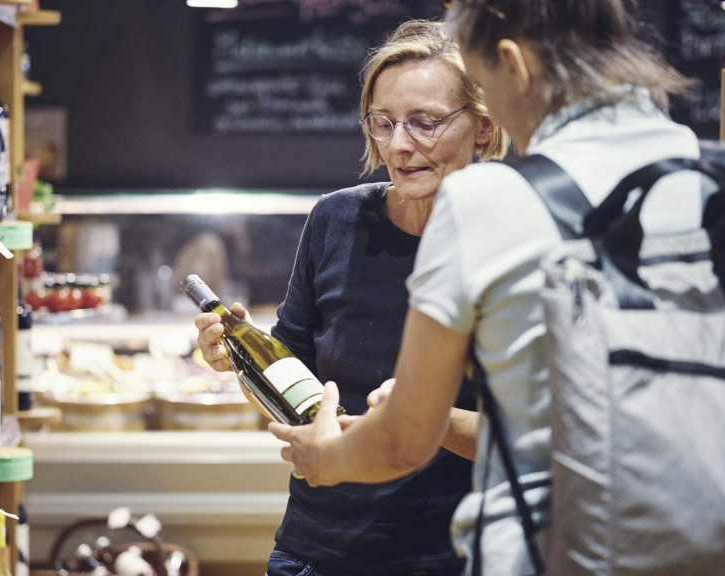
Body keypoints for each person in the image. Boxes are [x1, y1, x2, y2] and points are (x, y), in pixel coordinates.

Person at [269, 1, 725, 575]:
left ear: (513, 65)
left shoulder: (489, 202)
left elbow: (403, 440)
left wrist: (326, 459)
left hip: (557, 551)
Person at [193, 19, 508, 576]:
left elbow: (537, 440)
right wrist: (239, 360)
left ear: (483, 127)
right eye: (383, 123)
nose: (399, 145)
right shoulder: (335, 219)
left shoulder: (515, 240)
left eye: (426, 123)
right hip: (315, 550)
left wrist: (422, 420)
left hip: (451, 557)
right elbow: (290, 380)